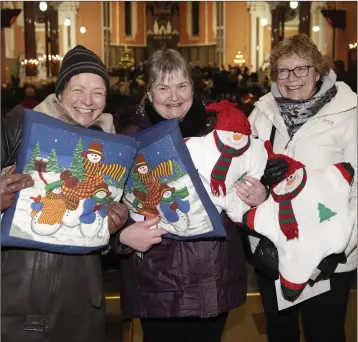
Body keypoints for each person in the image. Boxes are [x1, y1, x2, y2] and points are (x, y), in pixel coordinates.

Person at [110, 49, 267, 342]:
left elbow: (253, 173)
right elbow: (110, 205)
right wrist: (123, 236)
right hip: (157, 277)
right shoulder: (130, 136)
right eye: (163, 87)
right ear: (148, 92)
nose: (174, 96)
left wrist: (261, 195)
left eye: (182, 85)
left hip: (212, 272)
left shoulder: (222, 126)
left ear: (193, 88)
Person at [1, 45, 152, 342]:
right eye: (78, 89)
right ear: (60, 91)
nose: (88, 101)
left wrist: (114, 231)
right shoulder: (21, 125)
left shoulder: (113, 148)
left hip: (81, 301)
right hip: (15, 295)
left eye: (98, 92)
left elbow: (106, 240)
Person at [248, 34, 357, 342]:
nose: (291, 78)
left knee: (324, 332)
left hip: (329, 257)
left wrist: (338, 248)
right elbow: (241, 174)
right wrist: (259, 182)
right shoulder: (261, 113)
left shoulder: (349, 114)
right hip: (275, 249)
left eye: (301, 69)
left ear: (318, 70)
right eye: (282, 70)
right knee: (280, 332)